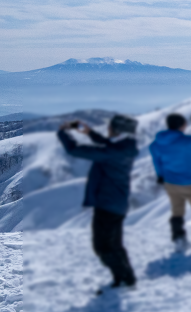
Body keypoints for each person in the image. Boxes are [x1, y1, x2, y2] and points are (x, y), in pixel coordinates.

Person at [57, 114, 139, 291]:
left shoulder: (112, 153)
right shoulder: (126, 147)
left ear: (119, 132)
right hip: (117, 204)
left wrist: (63, 133)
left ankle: (123, 280)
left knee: (102, 247)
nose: (108, 129)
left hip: (107, 205)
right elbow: (108, 144)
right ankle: (127, 278)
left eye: (111, 127)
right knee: (115, 245)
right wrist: (90, 133)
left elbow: (74, 149)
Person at [148, 112, 191, 246]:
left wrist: (160, 176)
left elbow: (157, 163)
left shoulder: (155, 145)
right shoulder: (186, 141)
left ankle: (179, 239)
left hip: (170, 183)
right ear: (181, 125)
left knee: (177, 211)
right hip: (190, 183)